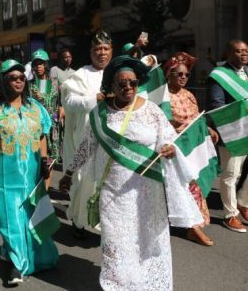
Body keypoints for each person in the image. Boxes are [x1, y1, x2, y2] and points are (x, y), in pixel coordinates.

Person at [59, 55, 202, 290]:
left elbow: (168, 140)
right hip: (113, 190)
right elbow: (87, 146)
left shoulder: (152, 111)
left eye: (133, 83)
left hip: (147, 190)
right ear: (111, 86)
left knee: (147, 240)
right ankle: (117, 284)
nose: (128, 87)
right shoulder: (100, 114)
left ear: (138, 83)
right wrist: (68, 173)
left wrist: (169, 149)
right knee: (115, 241)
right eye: (121, 83)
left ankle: (145, 281)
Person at [0, 59, 58, 285]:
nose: (18, 82)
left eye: (21, 78)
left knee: (31, 218)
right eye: (12, 78)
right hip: (3, 177)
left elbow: (42, 135)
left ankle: (19, 254)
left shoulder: (35, 108)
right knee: (11, 219)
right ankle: (18, 265)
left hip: (32, 175)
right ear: (3, 81)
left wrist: (45, 163)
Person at [61, 30, 113, 237]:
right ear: (91, 53)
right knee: (82, 180)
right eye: (97, 49)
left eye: (106, 49)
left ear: (111, 51)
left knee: (108, 181)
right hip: (85, 136)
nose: (101, 53)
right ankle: (79, 221)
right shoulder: (81, 75)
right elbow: (69, 103)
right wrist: (96, 98)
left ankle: (105, 223)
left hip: (112, 139)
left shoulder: (119, 72)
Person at [164, 52, 217, 246]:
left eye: (186, 74)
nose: (184, 78)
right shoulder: (162, 96)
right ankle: (190, 226)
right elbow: (159, 120)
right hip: (173, 148)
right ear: (169, 74)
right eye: (179, 74)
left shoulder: (189, 95)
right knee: (179, 186)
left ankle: (193, 224)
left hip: (191, 147)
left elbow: (198, 118)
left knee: (194, 182)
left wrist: (207, 128)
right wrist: (177, 124)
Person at [208, 39, 248, 233]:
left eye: (245, 51)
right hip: (233, 132)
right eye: (239, 51)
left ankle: (243, 203)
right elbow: (217, 105)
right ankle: (230, 215)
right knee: (231, 174)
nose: (243, 54)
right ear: (228, 54)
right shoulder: (219, 76)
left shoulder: (247, 73)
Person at [29, 49, 63, 175]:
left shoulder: (54, 82)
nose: (38, 67)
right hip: (37, 126)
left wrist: (61, 107)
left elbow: (61, 100)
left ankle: (47, 190)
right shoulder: (29, 85)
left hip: (53, 125)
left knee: (51, 159)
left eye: (41, 63)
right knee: (38, 158)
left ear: (46, 65)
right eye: (36, 64)